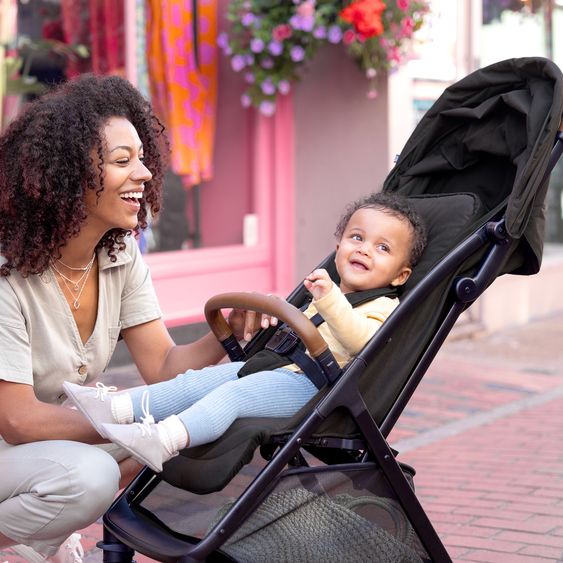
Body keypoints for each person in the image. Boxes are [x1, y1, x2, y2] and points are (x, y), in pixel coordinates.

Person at [0, 74, 264, 562]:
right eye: (124, 161)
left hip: (43, 445)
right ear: (67, 173)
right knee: (91, 476)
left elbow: (163, 366)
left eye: (142, 158)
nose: (144, 173)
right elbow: (18, 420)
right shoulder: (7, 272)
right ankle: (36, 530)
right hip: (11, 442)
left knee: (189, 438)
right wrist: (133, 419)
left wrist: (224, 327)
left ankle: (44, 532)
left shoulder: (119, 256)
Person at [64, 192, 427, 474]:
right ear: (337, 249)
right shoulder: (328, 289)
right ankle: (116, 407)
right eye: (357, 237)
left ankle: (162, 440)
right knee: (194, 382)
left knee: (232, 396)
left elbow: (359, 340)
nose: (365, 249)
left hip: (311, 387)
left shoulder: (382, 306)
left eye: (382, 248)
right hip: (278, 368)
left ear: (400, 276)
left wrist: (330, 299)